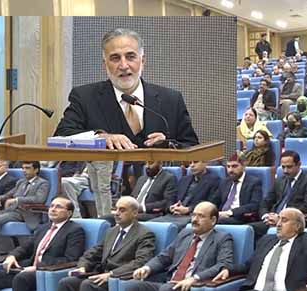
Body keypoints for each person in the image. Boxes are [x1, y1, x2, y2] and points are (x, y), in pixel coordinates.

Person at [54, 29, 199, 216]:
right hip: (107, 198)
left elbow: (192, 147)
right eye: (115, 58)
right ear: (105, 64)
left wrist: (169, 143)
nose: (123, 65)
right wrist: (99, 137)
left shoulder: (171, 99)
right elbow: (62, 135)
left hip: (155, 204)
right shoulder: (85, 97)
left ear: (142, 61)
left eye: (130, 57)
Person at [52, 196, 156, 291]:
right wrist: (83, 267)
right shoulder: (111, 232)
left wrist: (111, 274)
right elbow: (92, 253)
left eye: (122, 210)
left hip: (120, 278)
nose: (116, 213)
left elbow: (140, 262)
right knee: (66, 283)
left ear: (135, 213)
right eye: (115, 209)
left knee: (88, 285)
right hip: (101, 274)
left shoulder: (145, 234)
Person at [0, 197, 85, 291]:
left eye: (58, 207)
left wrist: (37, 267)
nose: (53, 209)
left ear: (69, 213)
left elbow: (70, 259)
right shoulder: (43, 228)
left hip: (46, 273)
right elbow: (25, 247)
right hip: (27, 270)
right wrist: (12, 256)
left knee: (21, 278)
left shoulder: (75, 231)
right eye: (51, 206)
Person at [0, 161, 50, 262]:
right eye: (23, 168)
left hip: (25, 213)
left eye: (27, 168)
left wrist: (17, 200)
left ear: (36, 170)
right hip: (11, 210)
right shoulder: (21, 182)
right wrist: (0, 197)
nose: (24, 171)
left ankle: (0, 253)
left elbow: (39, 199)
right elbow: (10, 193)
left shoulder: (43, 183)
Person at [249, 151, 307, 240]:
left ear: (298, 164)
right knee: (248, 229)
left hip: (291, 222)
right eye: (283, 167)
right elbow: (266, 202)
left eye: (289, 167)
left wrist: (280, 218)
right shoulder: (279, 181)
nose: (285, 171)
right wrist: (266, 216)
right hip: (272, 220)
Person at [150, 160, 219, 230]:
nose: (192, 165)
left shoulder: (214, 181)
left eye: (195, 162)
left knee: (169, 228)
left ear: (205, 163)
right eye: (190, 163)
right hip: (174, 215)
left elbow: (211, 203)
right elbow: (172, 197)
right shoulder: (184, 179)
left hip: (193, 216)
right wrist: (171, 207)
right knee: (149, 225)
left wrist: (188, 209)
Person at [211, 154, 263, 225]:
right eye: (228, 166)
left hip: (241, 217)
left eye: (234, 166)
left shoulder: (254, 182)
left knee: (211, 222)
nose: (230, 170)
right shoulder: (225, 182)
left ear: (243, 166)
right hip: (221, 215)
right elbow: (214, 200)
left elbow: (254, 205)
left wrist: (230, 212)